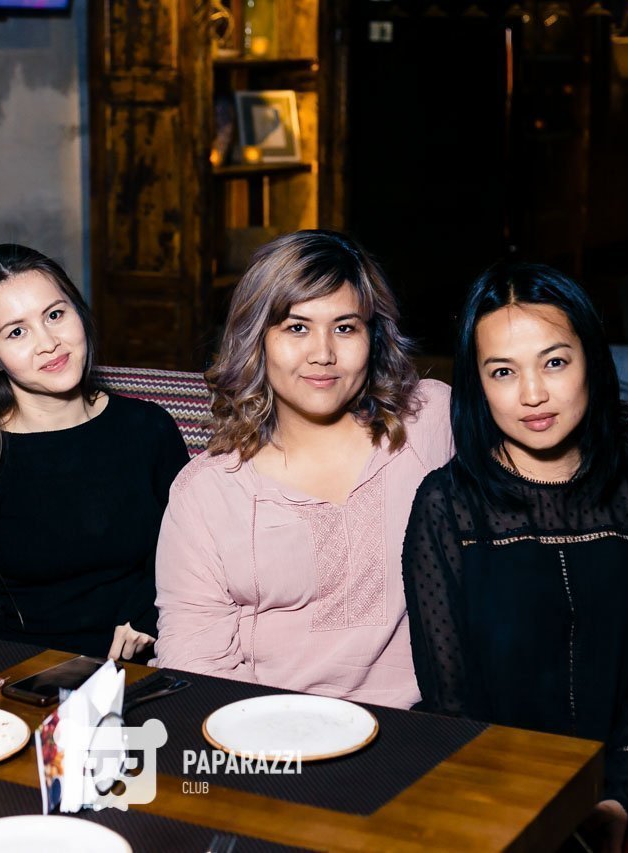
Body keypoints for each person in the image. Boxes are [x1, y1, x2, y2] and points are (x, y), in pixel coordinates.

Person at [402, 262, 628, 852]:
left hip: (618, 799)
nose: (532, 394)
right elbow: (451, 704)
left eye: (554, 362)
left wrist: (618, 802)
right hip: (489, 802)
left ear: (591, 362)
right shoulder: (446, 506)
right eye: (503, 371)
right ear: (478, 384)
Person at [153, 230, 452, 708]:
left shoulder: (430, 423)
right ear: (257, 340)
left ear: (373, 337)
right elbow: (194, 663)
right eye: (296, 328)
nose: (323, 354)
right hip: (273, 726)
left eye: (345, 328)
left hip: (426, 723)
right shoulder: (207, 493)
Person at [0, 244, 189, 659]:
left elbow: (191, 560)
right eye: (16, 332)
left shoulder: (149, 429)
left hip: (146, 663)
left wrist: (150, 619)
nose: (49, 343)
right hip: (23, 673)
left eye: (54, 315)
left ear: (78, 312)